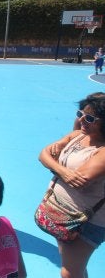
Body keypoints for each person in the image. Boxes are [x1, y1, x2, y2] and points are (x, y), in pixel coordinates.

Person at [38, 93, 105, 278]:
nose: (82, 120)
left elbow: (81, 181)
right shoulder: (78, 136)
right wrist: (63, 171)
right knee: (74, 266)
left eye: (90, 118)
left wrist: (56, 165)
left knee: (69, 272)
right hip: (64, 214)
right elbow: (43, 154)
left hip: (87, 221)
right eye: (80, 114)